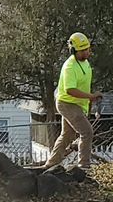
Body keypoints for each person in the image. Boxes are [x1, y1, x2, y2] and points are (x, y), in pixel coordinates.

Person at [39, 32, 97, 174]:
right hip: (67, 103)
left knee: (67, 135)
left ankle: (50, 165)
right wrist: (90, 96)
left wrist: (89, 100)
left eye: (87, 49)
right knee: (87, 132)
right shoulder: (69, 67)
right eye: (83, 50)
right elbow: (70, 90)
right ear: (73, 51)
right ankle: (84, 166)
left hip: (76, 104)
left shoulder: (85, 62)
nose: (86, 52)